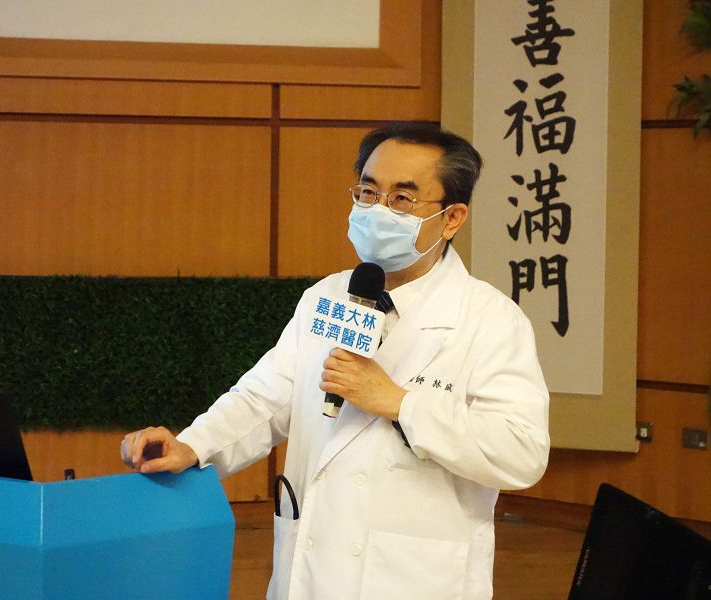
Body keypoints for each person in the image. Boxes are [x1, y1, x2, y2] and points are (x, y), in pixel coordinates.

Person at [121, 121, 550, 600]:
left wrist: (400, 403)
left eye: (402, 199)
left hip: (416, 579)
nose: (378, 210)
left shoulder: (490, 319)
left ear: (452, 218)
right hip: (313, 570)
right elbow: (265, 399)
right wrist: (193, 445)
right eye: (368, 192)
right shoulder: (326, 297)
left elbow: (521, 453)